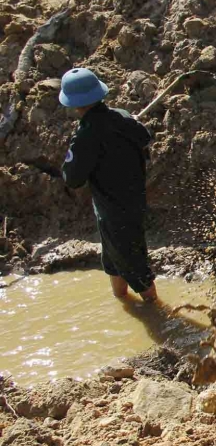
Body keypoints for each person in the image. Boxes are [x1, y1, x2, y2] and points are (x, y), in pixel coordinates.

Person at [60, 67, 157, 302]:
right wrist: (129, 123)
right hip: (133, 201)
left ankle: (157, 311)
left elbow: (73, 179)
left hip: (114, 212)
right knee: (113, 261)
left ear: (74, 105)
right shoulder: (121, 116)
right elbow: (145, 137)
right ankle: (121, 300)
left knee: (136, 268)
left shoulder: (86, 137)